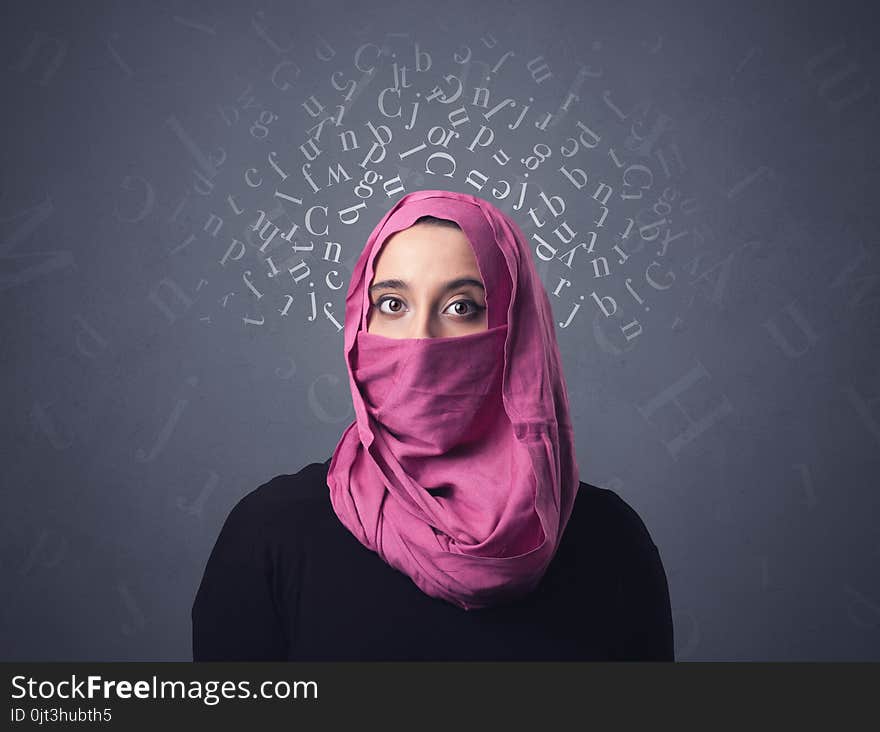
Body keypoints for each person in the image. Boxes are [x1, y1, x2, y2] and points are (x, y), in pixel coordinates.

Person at [192, 189, 674, 661]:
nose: (422, 339)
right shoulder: (271, 535)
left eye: (462, 307)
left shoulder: (611, 543)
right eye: (393, 305)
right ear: (360, 324)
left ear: (519, 333)